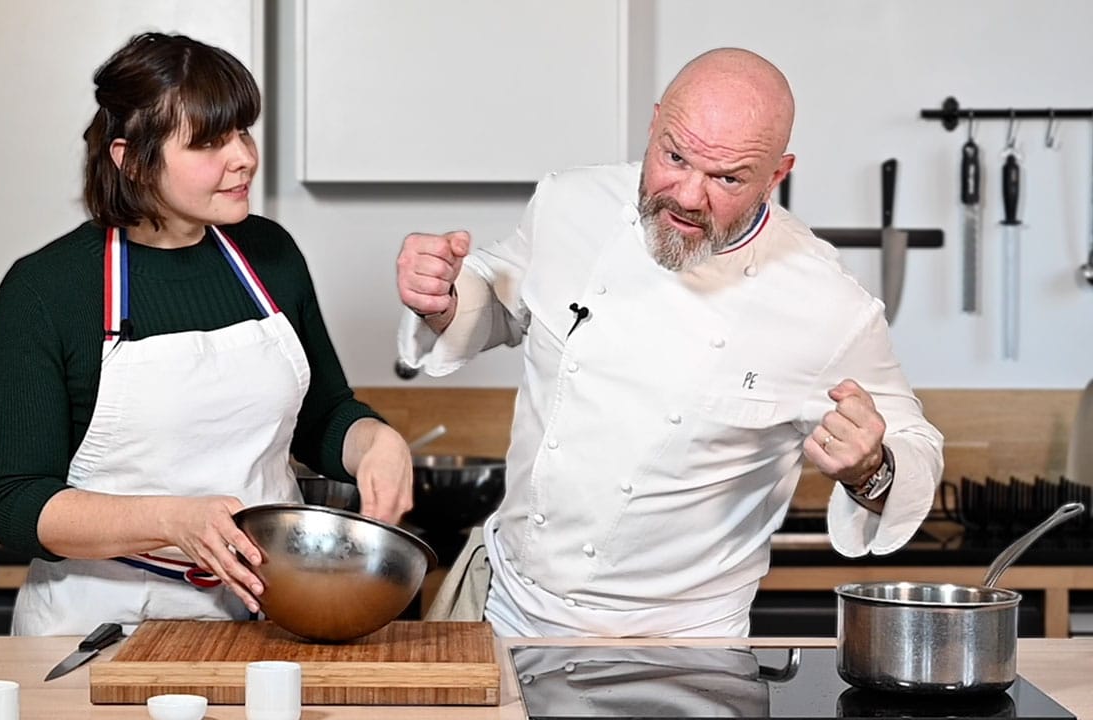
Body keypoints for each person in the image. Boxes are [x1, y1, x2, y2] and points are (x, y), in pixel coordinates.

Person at [396, 48, 943, 637]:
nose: (686, 196)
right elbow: (501, 293)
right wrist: (446, 295)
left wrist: (870, 469)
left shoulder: (829, 304)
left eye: (727, 178)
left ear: (777, 175)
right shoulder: (568, 203)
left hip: (683, 647)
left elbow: (914, 446)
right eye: (674, 156)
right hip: (512, 615)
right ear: (655, 124)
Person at [0, 32, 412, 636]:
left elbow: (321, 414)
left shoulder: (270, 255)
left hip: (263, 612)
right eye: (208, 142)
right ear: (129, 158)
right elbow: (14, 502)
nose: (244, 158)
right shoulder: (46, 291)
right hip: (98, 624)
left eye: (243, 131)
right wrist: (172, 521)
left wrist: (375, 443)